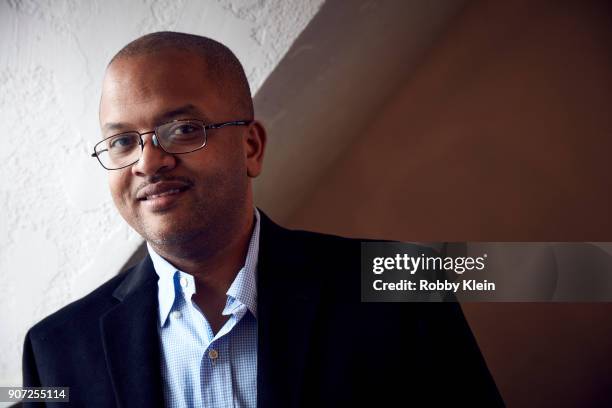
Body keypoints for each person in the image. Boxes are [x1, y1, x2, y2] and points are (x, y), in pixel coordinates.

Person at [22, 31, 503, 407]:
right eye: (123, 141)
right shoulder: (53, 352)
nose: (148, 162)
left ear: (250, 147)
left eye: (183, 129)